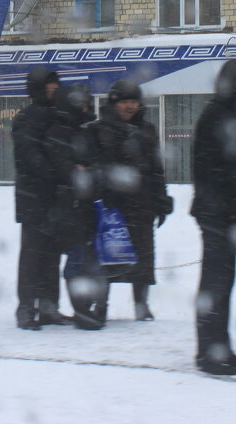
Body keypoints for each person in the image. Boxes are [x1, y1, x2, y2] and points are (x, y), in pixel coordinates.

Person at [191, 59, 236, 375]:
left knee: (222, 282)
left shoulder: (228, 114)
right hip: (217, 212)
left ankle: (220, 347)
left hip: (222, 212)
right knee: (216, 283)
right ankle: (209, 353)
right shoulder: (218, 117)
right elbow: (221, 169)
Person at [90, 80, 172, 323]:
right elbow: (95, 166)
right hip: (113, 205)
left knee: (144, 255)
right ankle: (101, 303)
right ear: (114, 103)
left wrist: (162, 198)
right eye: (124, 102)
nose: (129, 107)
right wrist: (104, 190)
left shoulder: (147, 129)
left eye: (133, 102)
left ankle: (141, 304)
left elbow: (156, 168)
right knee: (108, 255)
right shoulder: (100, 129)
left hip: (142, 202)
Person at [12, 67, 66, 330]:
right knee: (33, 255)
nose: (55, 89)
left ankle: (49, 305)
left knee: (52, 254)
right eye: (50, 85)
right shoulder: (26, 118)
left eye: (56, 85)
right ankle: (26, 306)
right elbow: (29, 156)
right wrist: (55, 172)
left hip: (55, 197)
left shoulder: (60, 116)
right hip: (34, 196)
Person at [45, 83, 102, 330]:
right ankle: (82, 309)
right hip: (70, 205)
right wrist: (81, 171)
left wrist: (86, 170)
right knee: (78, 259)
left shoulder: (82, 129)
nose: (86, 107)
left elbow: (91, 165)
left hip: (82, 203)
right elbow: (65, 167)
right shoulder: (62, 131)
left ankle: (85, 308)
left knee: (86, 258)